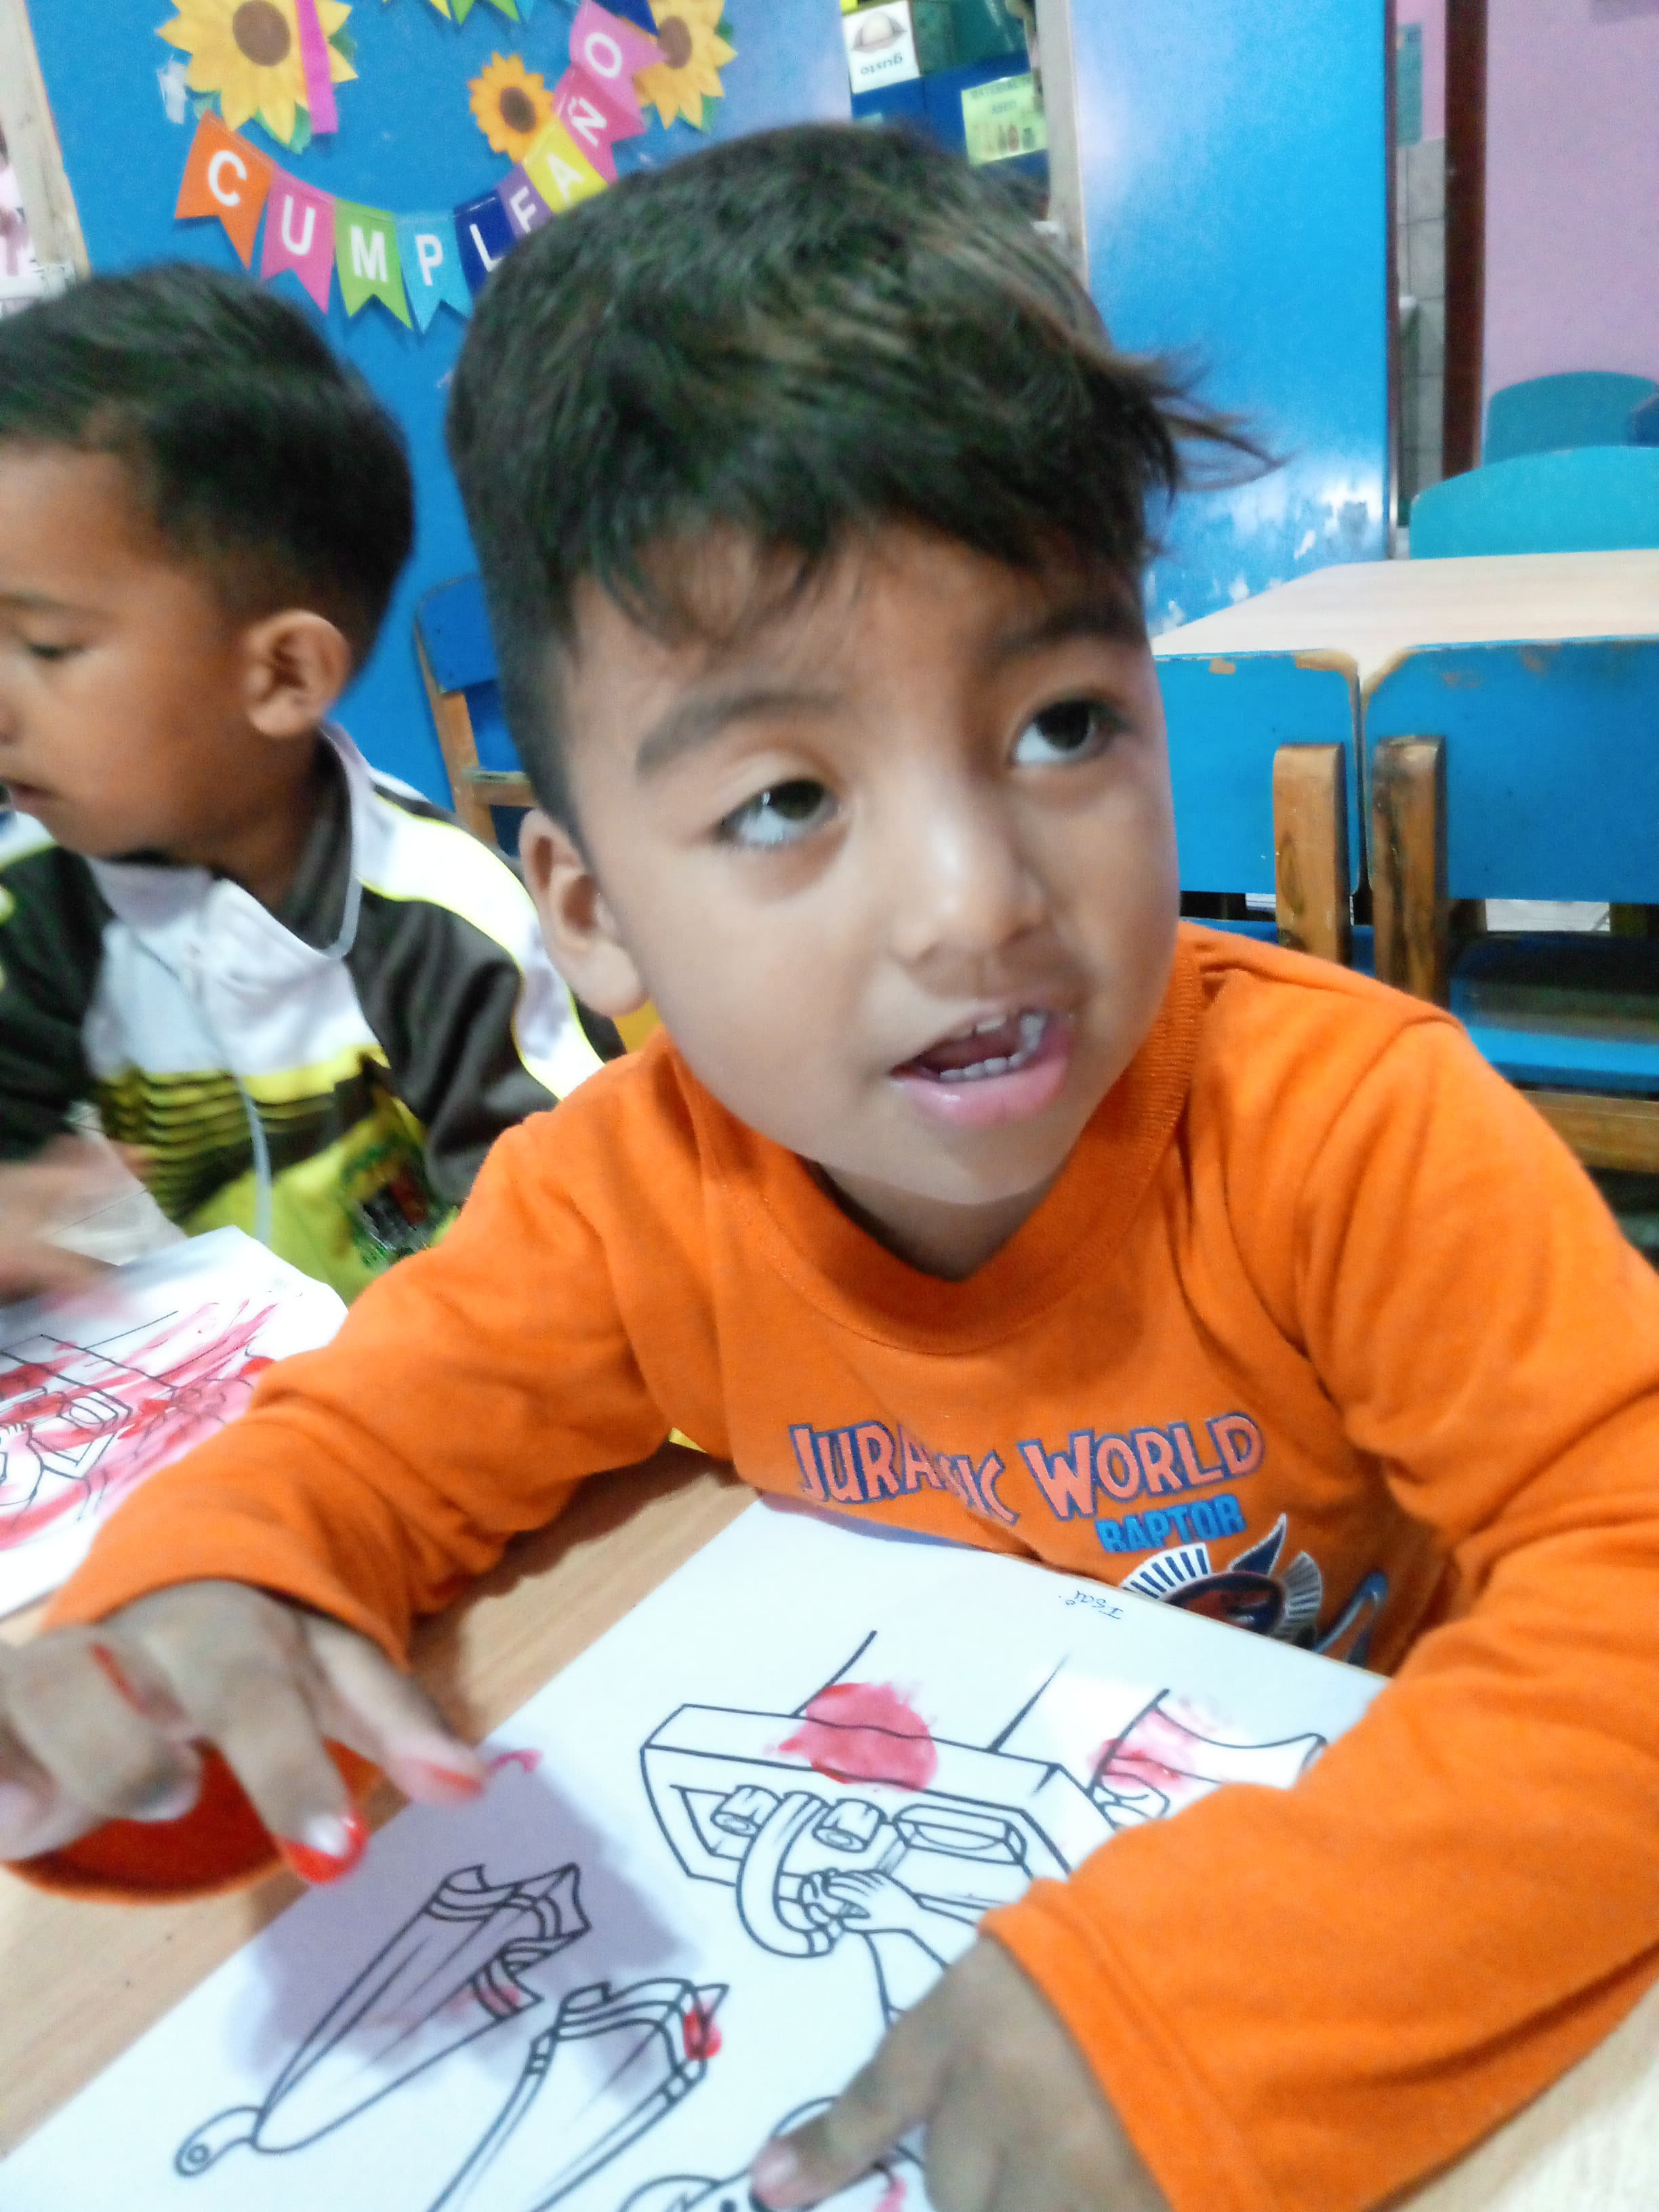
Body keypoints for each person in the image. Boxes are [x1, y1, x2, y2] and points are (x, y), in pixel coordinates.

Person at [1, 127, 1657, 2212]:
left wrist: (1241, 1990)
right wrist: (216, 1580)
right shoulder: (637, 1195)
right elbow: (369, 1438)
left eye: (1062, 724)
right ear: (592, 914)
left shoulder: (1349, 1129)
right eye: (787, 797)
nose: (977, 901)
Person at [0, 264, 608, 1305]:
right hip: (233, 1365)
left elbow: (569, 1245)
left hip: (460, 1359)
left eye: (48, 647)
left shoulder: (444, 924)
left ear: (283, 676)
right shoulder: (40, 905)